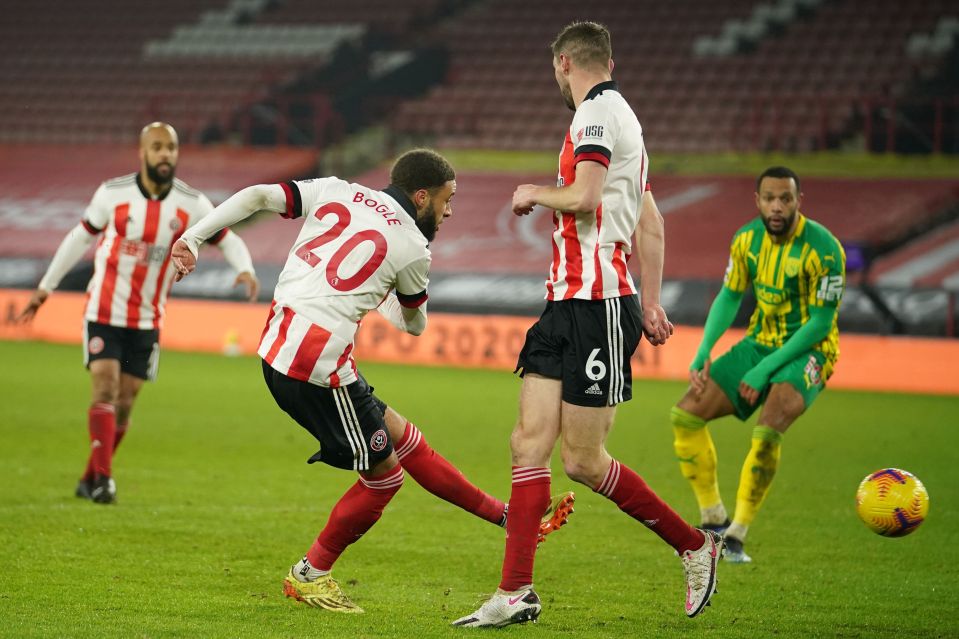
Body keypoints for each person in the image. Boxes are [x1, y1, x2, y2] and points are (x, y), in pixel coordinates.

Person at [170, 148, 575, 614]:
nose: (449, 211)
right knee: (383, 478)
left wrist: (194, 239)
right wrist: (382, 293)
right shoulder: (412, 248)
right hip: (315, 366)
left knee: (402, 437)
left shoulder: (337, 189)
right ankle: (311, 574)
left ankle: (507, 518)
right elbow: (415, 325)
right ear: (421, 196)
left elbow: (261, 195)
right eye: (447, 200)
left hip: (285, 343)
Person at [453, 22, 722, 629]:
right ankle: (515, 591)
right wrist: (651, 303)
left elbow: (584, 197)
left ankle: (694, 546)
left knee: (584, 460)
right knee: (527, 444)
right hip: (569, 303)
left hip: (597, 306)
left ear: (565, 61)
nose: (555, 77)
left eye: (555, 68)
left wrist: (532, 192)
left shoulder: (595, 116)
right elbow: (649, 222)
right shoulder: (626, 119)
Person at [17, 122, 259, 505]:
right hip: (103, 310)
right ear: (142, 153)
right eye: (158, 147)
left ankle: (90, 476)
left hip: (148, 318)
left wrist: (244, 268)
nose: (165, 154)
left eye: (171, 148)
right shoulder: (112, 194)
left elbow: (226, 237)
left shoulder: (192, 204)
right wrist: (46, 286)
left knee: (126, 401)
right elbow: (79, 237)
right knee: (105, 387)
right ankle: (105, 482)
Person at [670, 166, 845, 563]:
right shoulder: (746, 240)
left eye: (786, 198)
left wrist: (764, 371)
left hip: (810, 352)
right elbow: (730, 296)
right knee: (686, 416)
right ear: (758, 201)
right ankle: (714, 518)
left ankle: (737, 535)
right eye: (770, 198)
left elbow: (820, 322)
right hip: (758, 343)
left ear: (800, 201)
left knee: (767, 431)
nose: (777, 206)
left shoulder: (826, 249)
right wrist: (703, 350)